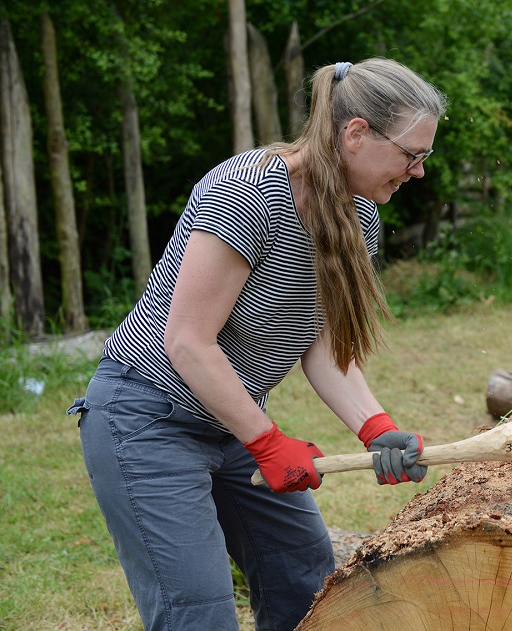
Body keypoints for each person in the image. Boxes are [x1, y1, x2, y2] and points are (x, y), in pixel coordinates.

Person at [67, 57, 447, 630]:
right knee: (197, 612)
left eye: (425, 156)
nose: (418, 171)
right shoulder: (250, 191)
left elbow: (316, 340)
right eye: (411, 154)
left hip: (231, 422)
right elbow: (187, 340)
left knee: (304, 579)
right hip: (146, 417)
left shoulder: (359, 214)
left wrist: (375, 427)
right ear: (356, 134)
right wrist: (268, 444)